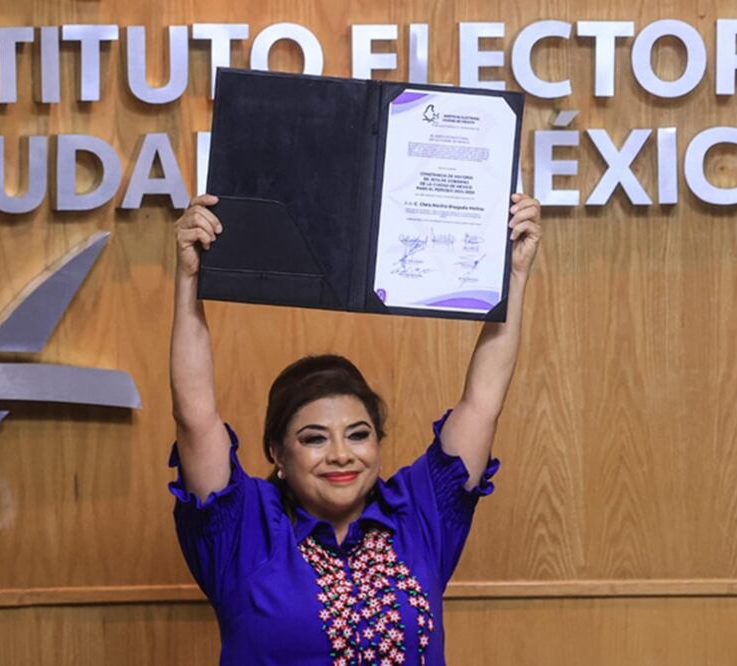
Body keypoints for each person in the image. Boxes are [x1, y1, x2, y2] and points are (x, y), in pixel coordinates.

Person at [169, 192, 542, 665]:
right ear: (278, 456)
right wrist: (188, 279)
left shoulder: (417, 514)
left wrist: (511, 276)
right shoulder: (246, 530)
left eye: (358, 433)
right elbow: (195, 416)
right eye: (314, 438)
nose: (341, 454)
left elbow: (482, 403)